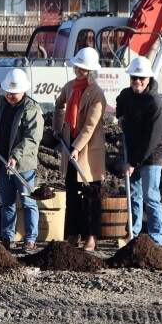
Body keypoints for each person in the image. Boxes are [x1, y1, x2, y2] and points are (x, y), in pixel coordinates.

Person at [0, 69, 44, 252]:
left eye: (13, 93)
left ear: (23, 90)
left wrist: (16, 156)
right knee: (7, 202)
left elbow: (32, 138)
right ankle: (8, 237)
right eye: (7, 92)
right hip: (2, 163)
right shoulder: (2, 104)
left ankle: (30, 239)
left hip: (23, 166)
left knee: (28, 202)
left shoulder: (31, 109)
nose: (9, 96)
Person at [52, 47, 106, 251]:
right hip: (70, 147)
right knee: (72, 193)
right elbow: (59, 106)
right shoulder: (69, 87)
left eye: (84, 68)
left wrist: (76, 147)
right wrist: (57, 128)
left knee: (91, 195)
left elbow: (90, 125)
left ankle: (92, 236)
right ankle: (74, 233)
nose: (79, 70)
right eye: (78, 66)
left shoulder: (96, 93)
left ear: (90, 70)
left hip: (88, 152)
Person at [116, 56, 162, 246]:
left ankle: (156, 238)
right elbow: (119, 101)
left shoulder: (155, 104)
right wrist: (120, 116)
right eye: (134, 78)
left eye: (141, 79)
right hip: (132, 151)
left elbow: (151, 139)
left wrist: (133, 163)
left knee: (151, 196)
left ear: (149, 80)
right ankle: (133, 233)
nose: (137, 82)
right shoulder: (127, 95)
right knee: (134, 195)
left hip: (152, 156)